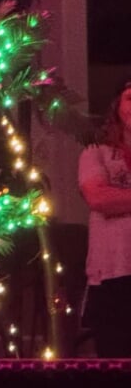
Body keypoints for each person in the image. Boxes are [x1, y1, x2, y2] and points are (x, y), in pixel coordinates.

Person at [78, 77, 131, 358]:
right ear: (117, 106)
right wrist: (113, 199)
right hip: (113, 273)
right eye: (130, 98)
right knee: (116, 365)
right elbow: (99, 198)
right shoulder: (95, 152)